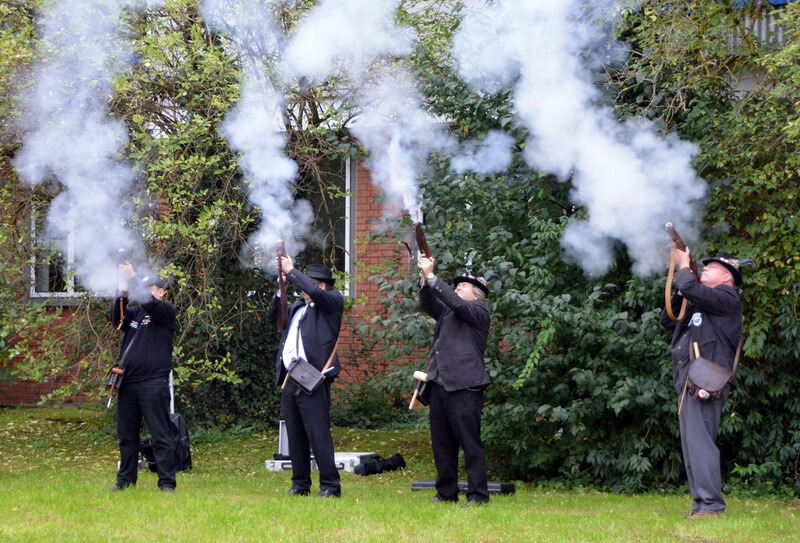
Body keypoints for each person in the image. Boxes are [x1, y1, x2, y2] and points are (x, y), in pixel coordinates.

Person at [661, 248, 748, 518]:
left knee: (700, 442)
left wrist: (684, 267)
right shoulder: (701, 300)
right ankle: (701, 503)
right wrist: (681, 291)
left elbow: (688, 283)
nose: (706, 269)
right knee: (691, 443)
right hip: (689, 378)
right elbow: (666, 319)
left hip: (706, 381)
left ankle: (711, 505)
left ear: (726, 277)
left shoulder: (726, 297)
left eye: (711, 268)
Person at [417, 255, 491, 506]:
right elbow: (428, 303)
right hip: (440, 384)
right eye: (457, 284)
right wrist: (424, 279)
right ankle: (446, 492)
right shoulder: (450, 311)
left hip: (465, 386)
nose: (458, 285)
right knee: (442, 445)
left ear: (477, 294)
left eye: (464, 285)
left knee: (470, 445)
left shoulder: (478, 311)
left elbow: (456, 303)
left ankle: (478, 495)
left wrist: (433, 276)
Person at [268, 253, 343, 498]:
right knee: (295, 435)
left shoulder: (331, 302)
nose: (308, 288)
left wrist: (292, 271)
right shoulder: (298, 307)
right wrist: (282, 288)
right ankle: (300, 484)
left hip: (313, 377)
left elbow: (317, 294)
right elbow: (274, 318)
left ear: (324, 285)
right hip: (291, 376)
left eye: (314, 283)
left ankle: (330, 485)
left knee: (318, 434)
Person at [110, 262, 177, 492]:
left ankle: (167, 482)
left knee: (161, 434)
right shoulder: (135, 314)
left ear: (161, 292)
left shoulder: (165, 311)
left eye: (152, 287)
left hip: (153, 383)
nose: (147, 291)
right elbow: (116, 319)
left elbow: (151, 306)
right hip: (128, 383)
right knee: (127, 436)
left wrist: (134, 276)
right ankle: (125, 481)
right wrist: (122, 289)